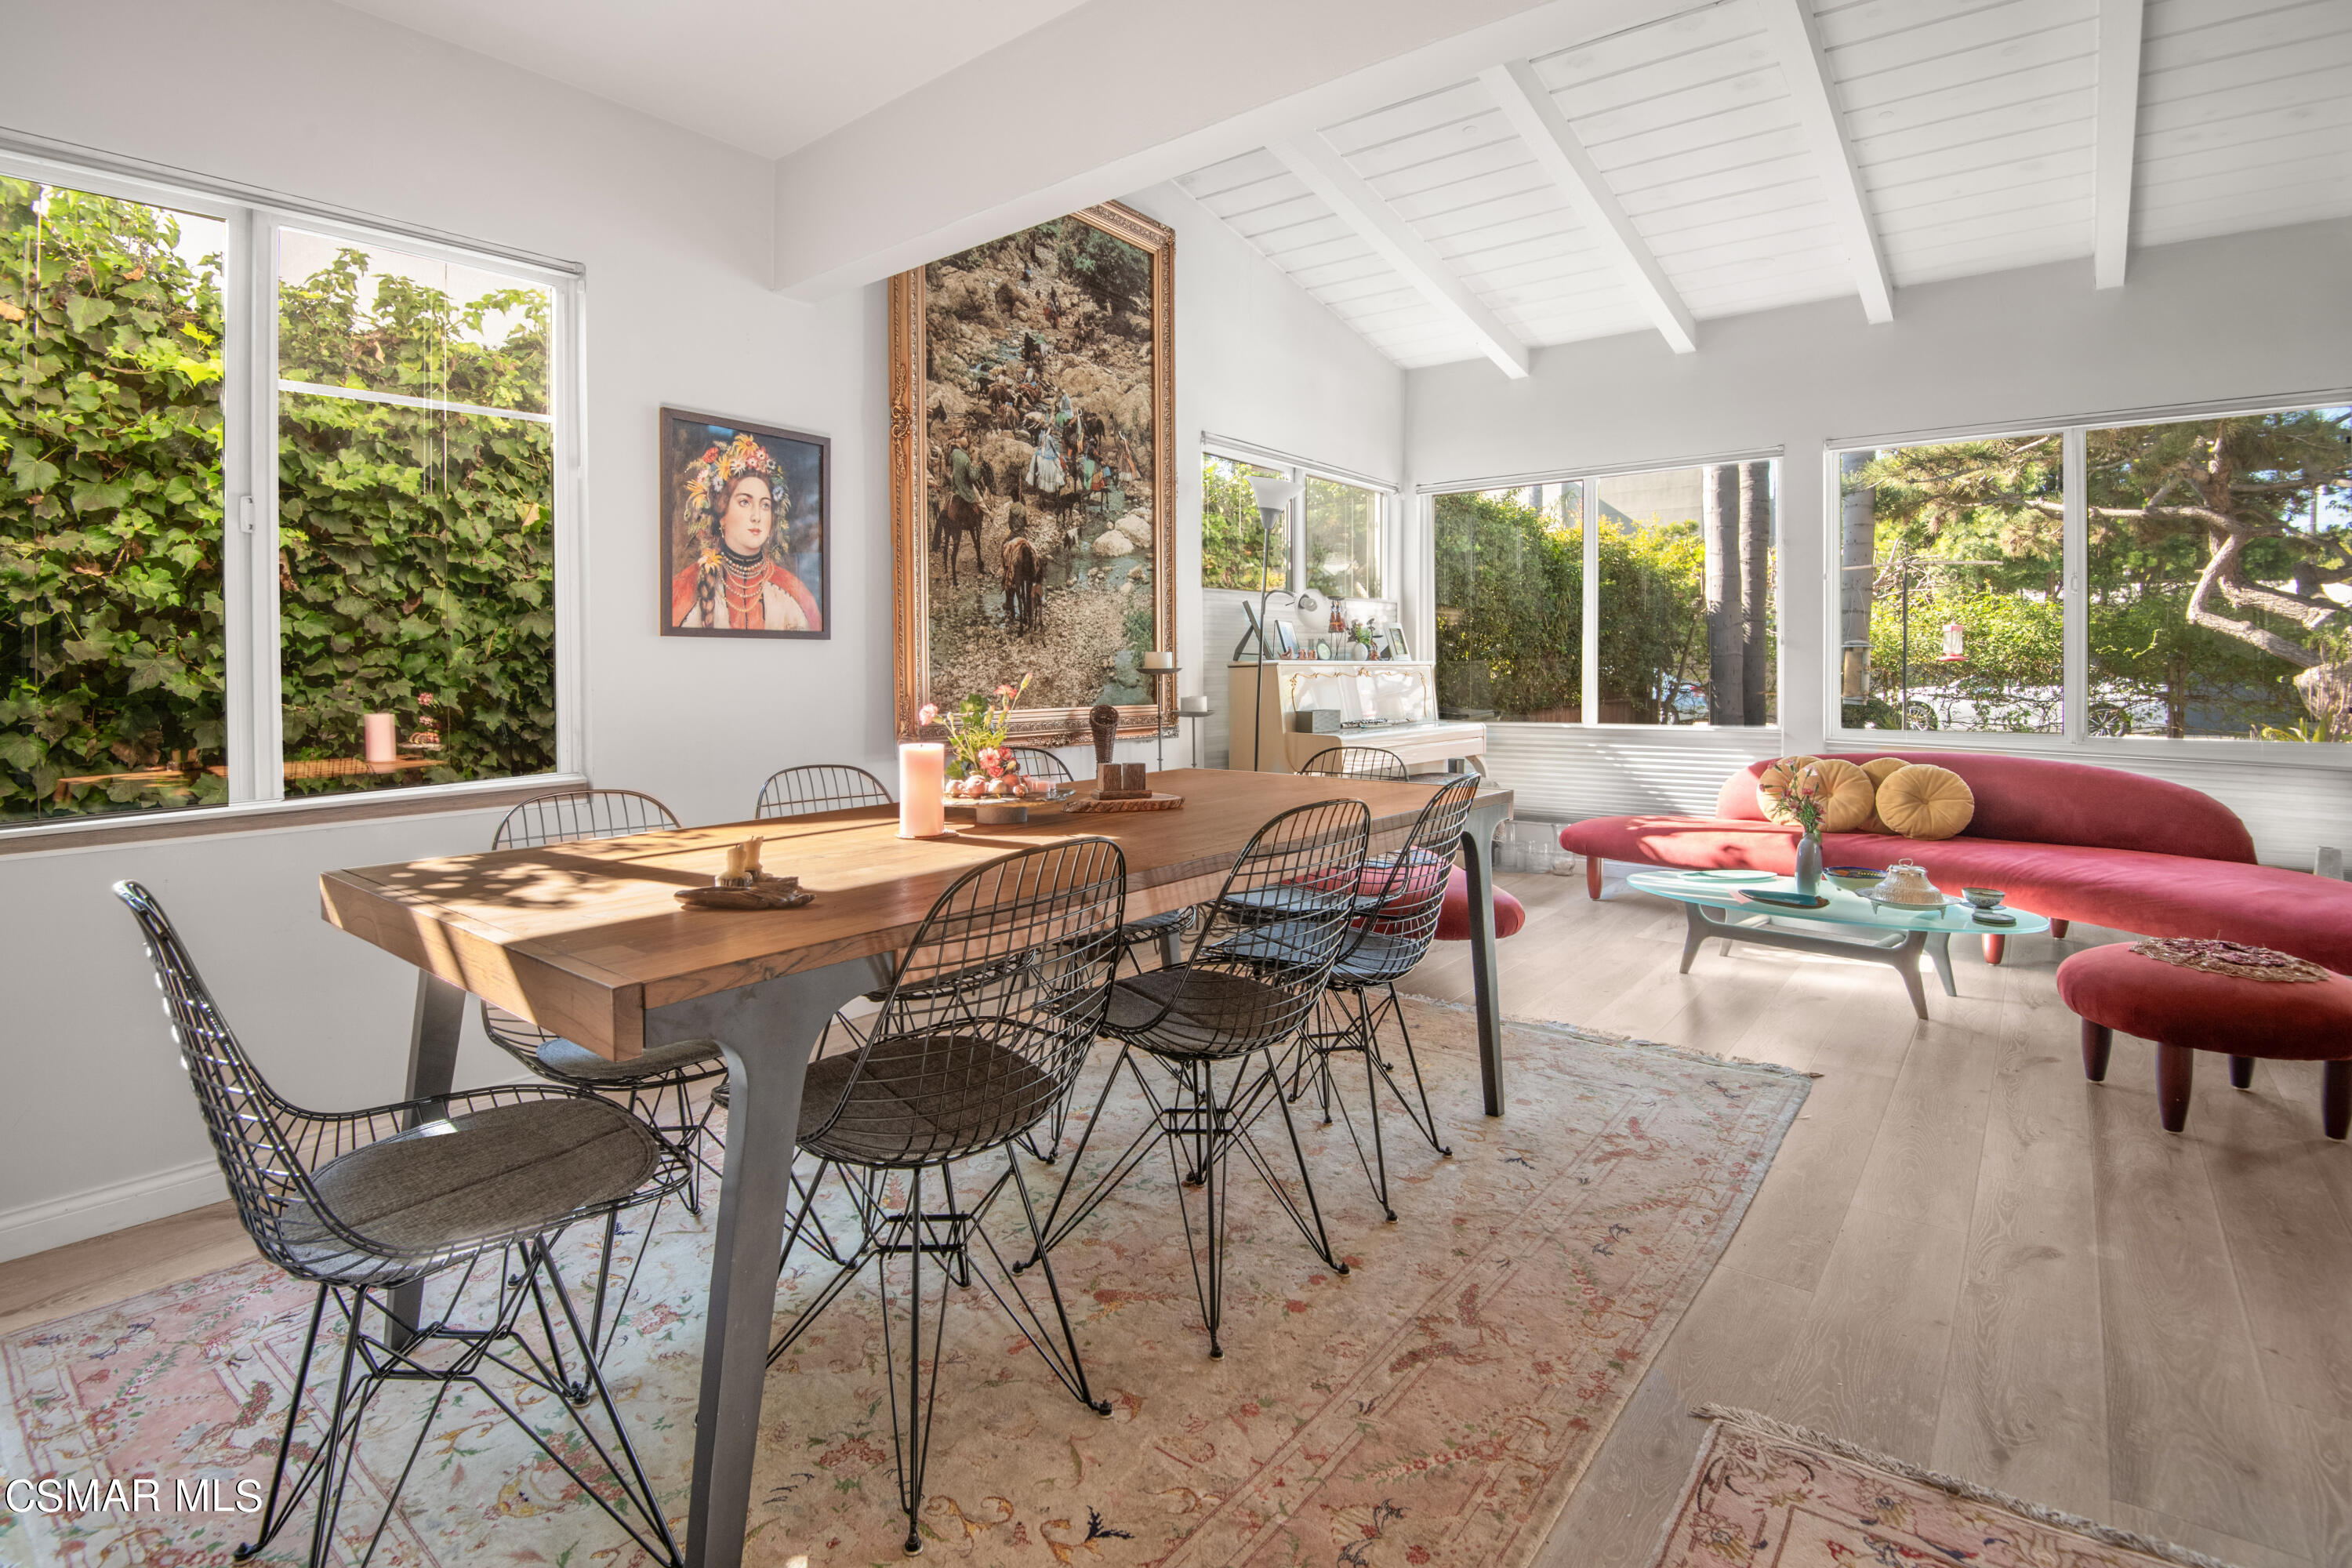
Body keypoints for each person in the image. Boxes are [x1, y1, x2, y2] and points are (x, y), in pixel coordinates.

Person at [670, 431, 822, 631]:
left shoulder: (795, 593)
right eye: (745, 502)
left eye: (765, 505)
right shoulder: (683, 590)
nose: (757, 516)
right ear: (722, 513)